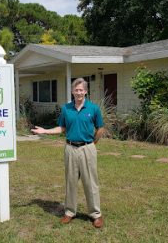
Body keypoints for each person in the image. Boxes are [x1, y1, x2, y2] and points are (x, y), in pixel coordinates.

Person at [31, 77, 105, 228]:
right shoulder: (66, 109)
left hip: (87, 148)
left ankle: (95, 215)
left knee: (90, 182)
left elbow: (100, 128)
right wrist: (45, 131)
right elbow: (62, 128)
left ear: (86, 91)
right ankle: (70, 212)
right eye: (76, 90)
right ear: (72, 91)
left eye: (81, 90)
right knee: (71, 181)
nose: (78, 92)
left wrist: (92, 144)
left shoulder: (93, 108)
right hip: (70, 148)